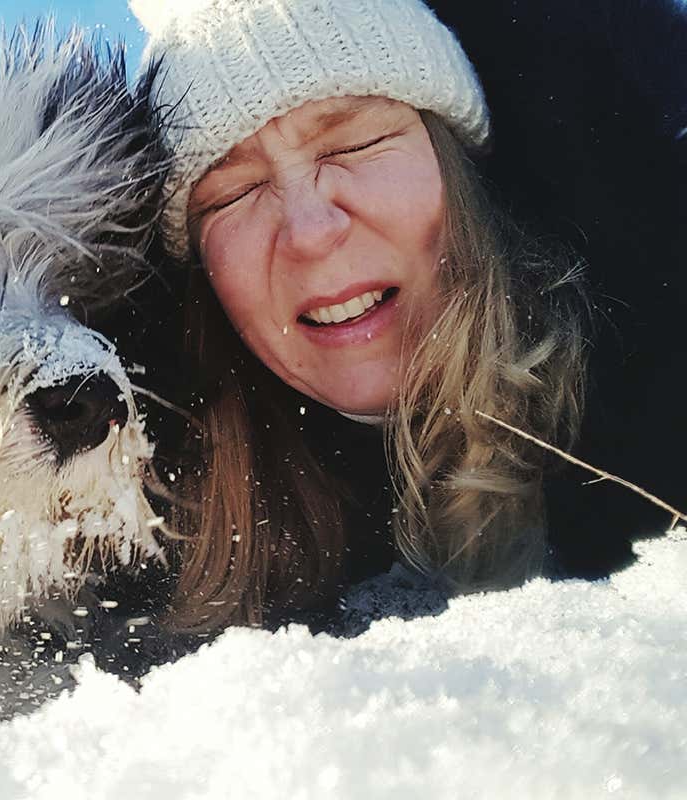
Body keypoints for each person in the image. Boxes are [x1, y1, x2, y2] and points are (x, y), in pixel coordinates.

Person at [129, 0, 687, 631]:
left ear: (458, 171)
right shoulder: (150, 546)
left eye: (356, 143)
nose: (311, 230)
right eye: (234, 193)